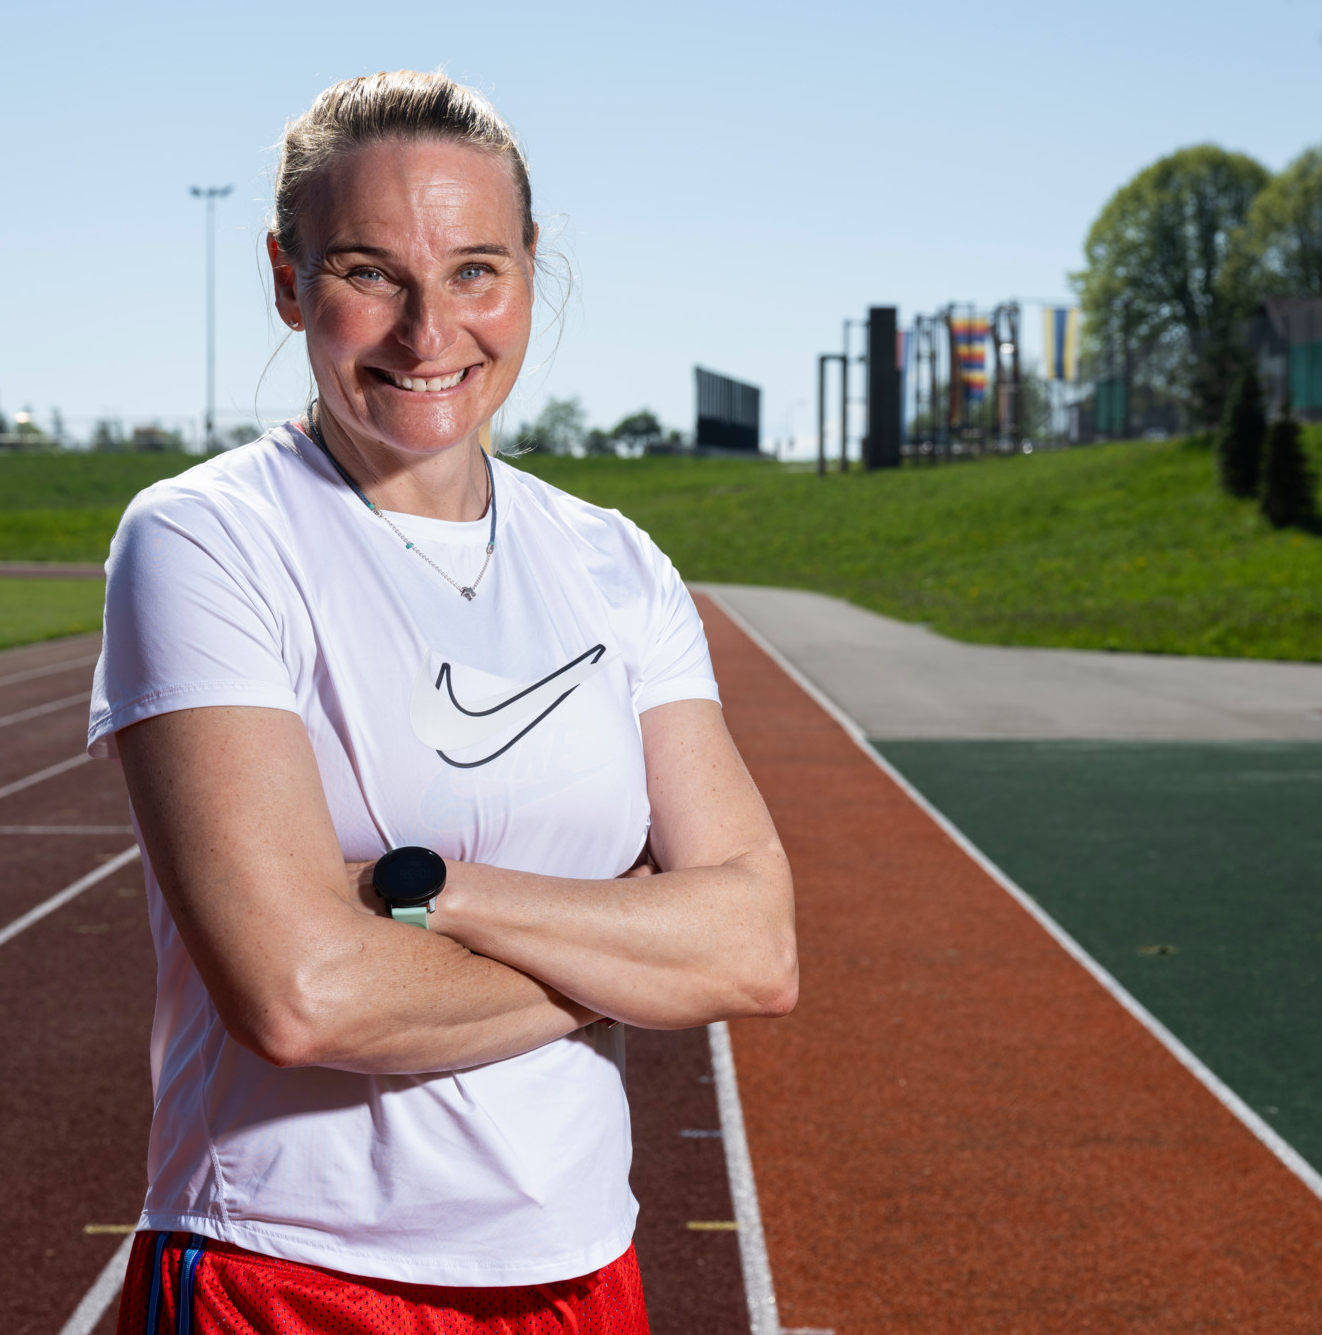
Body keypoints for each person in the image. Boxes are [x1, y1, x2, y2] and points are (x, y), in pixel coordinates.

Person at [89, 70, 797, 1335]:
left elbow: (755, 949)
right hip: (287, 1274)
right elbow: (301, 996)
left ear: (531, 272)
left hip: (581, 1269)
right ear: (285, 278)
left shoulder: (614, 562)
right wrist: (636, 954)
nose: (428, 334)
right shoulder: (206, 542)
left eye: (476, 270)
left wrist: (439, 894)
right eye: (368, 272)